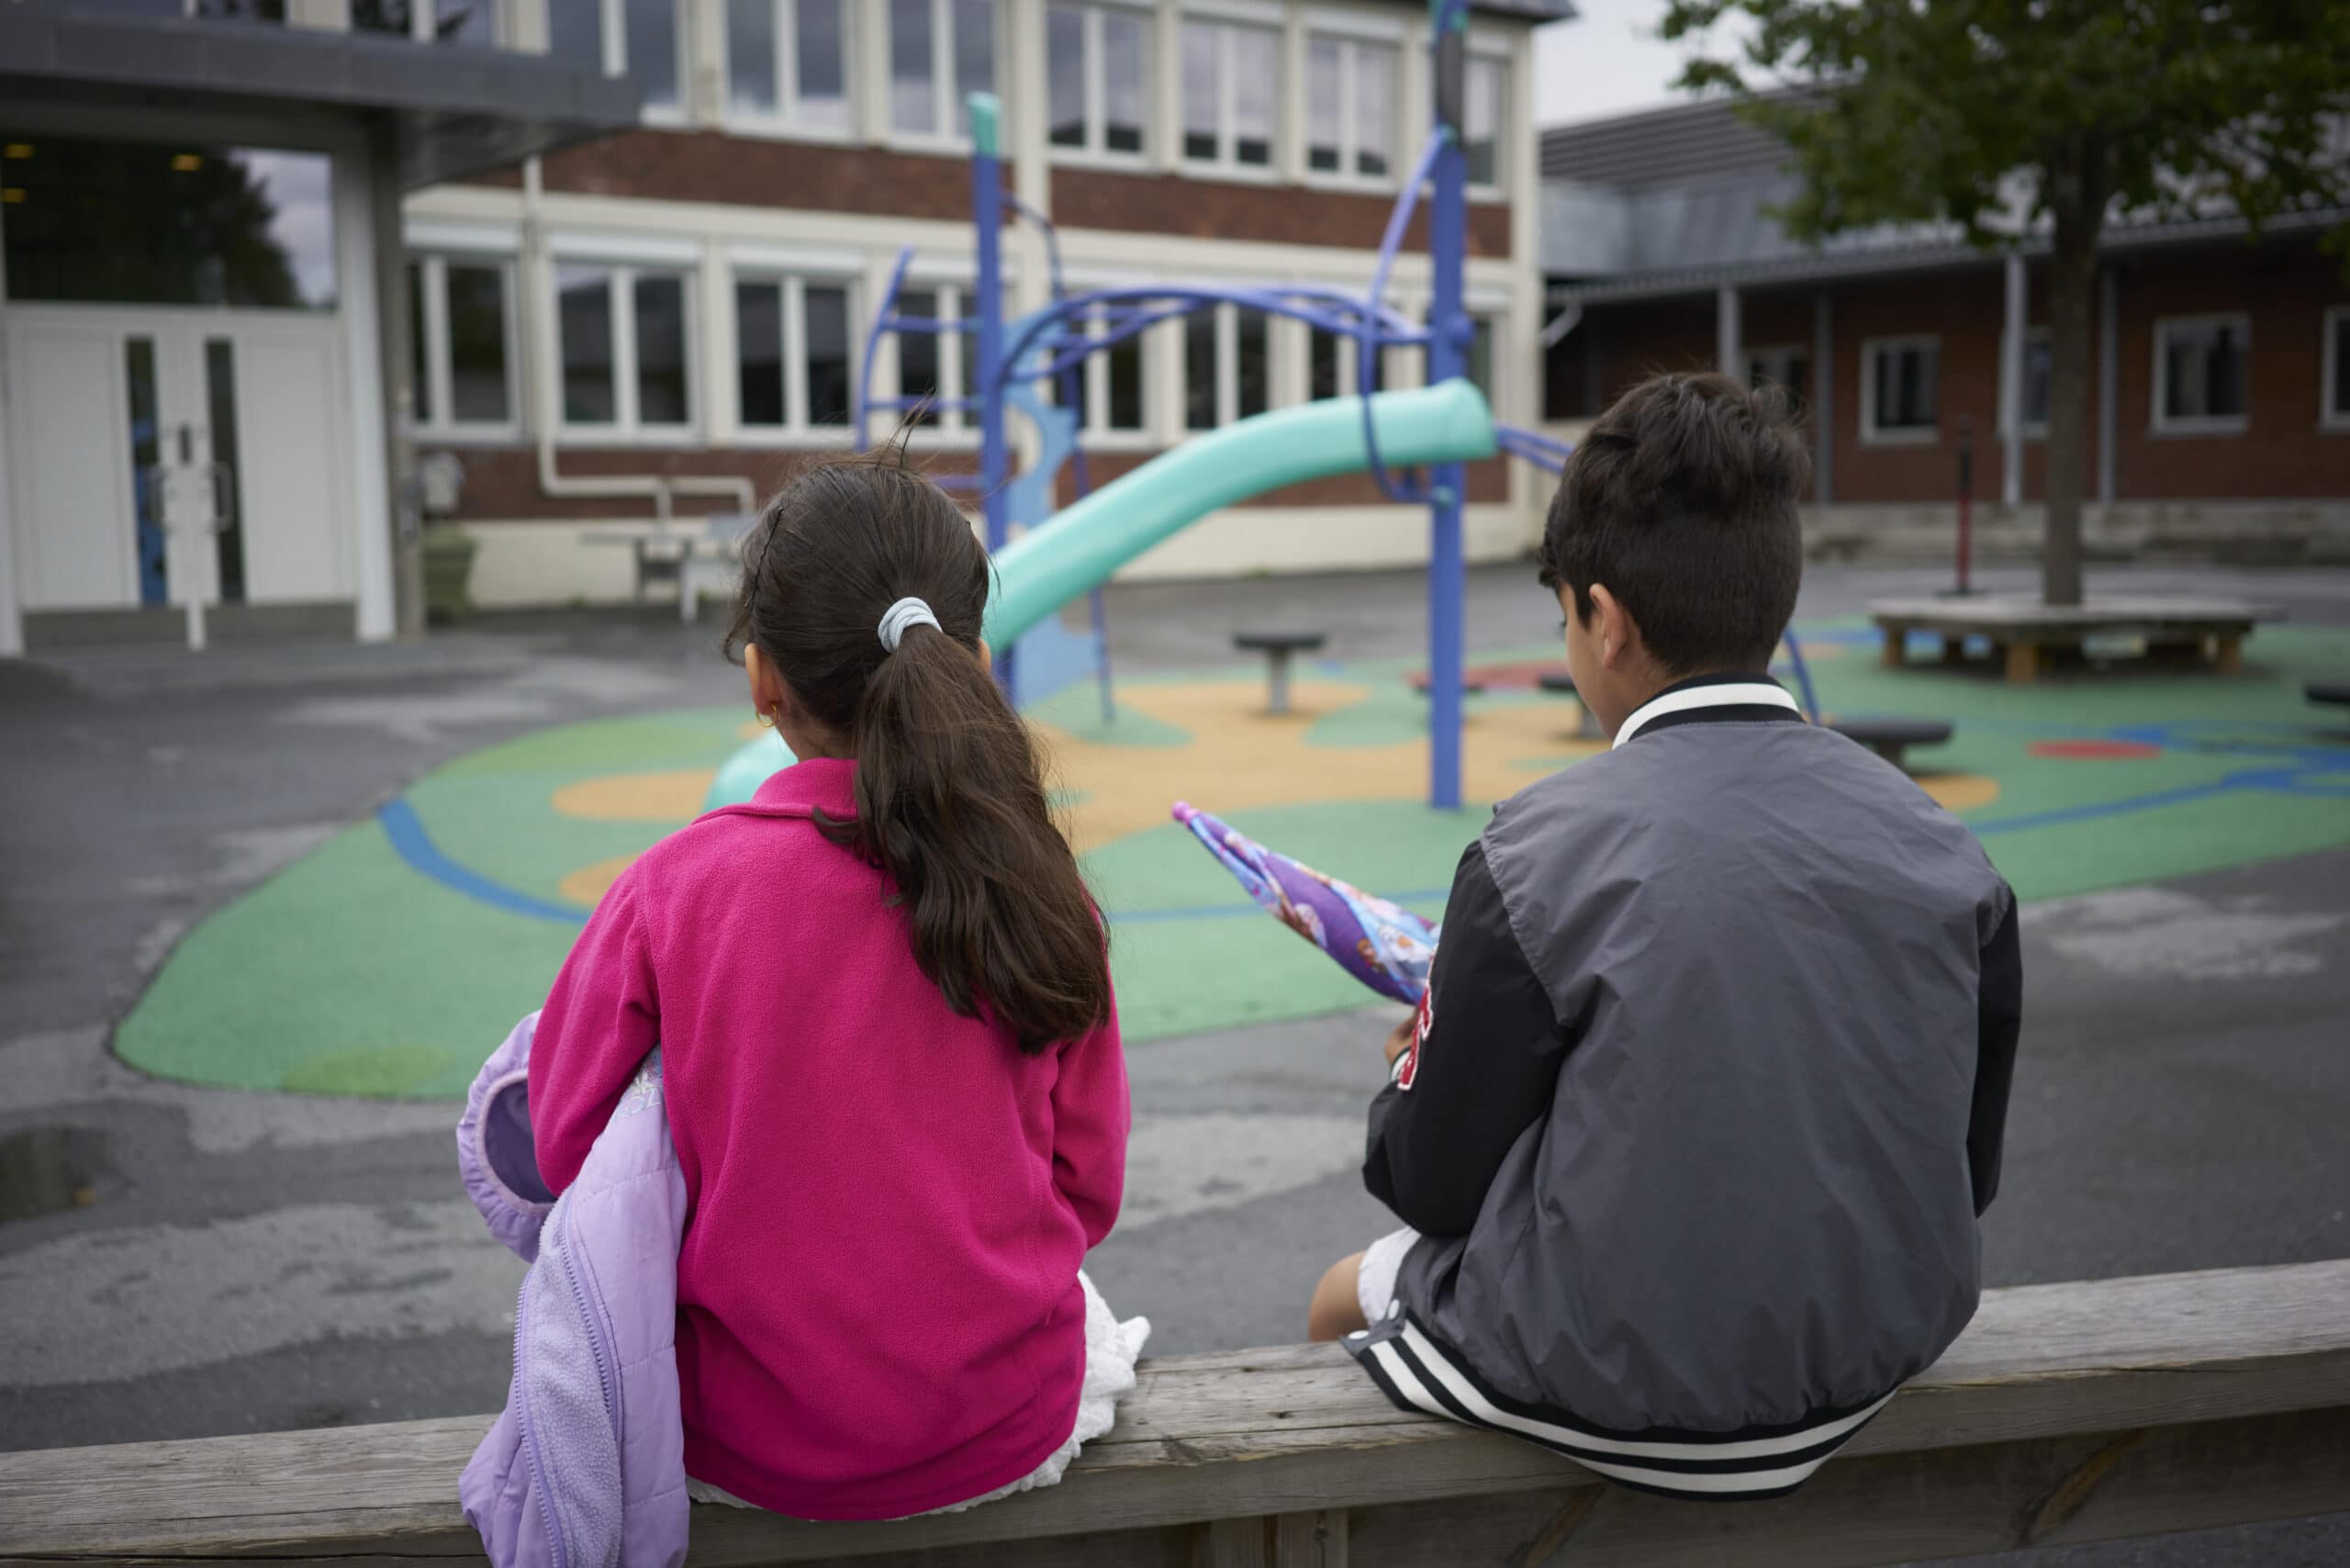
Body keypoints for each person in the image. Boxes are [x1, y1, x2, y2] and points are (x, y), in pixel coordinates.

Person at [1307, 371, 2021, 1501]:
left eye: (1563, 619)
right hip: (1877, 1345)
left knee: (1339, 1294)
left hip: (1606, 1382)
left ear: (1603, 617)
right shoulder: (1946, 850)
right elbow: (1962, 1170)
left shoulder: (1530, 853)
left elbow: (1429, 1183)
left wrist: (1414, 1060)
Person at [527, 456, 1139, 1522]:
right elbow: (1085, 1191)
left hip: (750, 1444)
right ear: (977, 662)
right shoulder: (1044, 888)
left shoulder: (674, 892)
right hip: (1002, 1425)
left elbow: (563, 1144)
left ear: (763, 680)